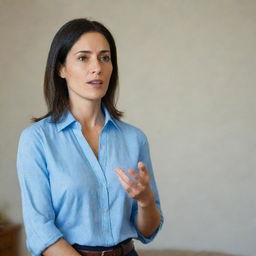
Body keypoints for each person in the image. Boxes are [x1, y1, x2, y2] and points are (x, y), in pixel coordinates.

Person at [17, 18, 163, 256]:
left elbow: (148, 231)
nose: (97, 67)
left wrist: (146, 201)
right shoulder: (37, 139)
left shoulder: (135, 139)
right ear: (61, 68)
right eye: (83, 57)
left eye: (104, 57)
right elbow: (39, 230)